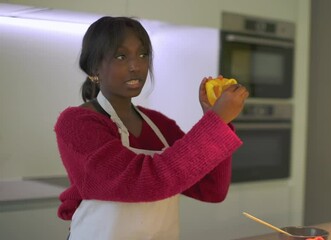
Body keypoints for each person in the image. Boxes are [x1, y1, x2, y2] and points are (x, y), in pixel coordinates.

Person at [54, 16, 249, 240]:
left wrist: (218, 121)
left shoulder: (159, 125)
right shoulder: (77, 123)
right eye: (121, 56)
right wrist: (215, 122)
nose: (136, 66)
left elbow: (212, 188)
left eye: (143, 54)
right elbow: (143, 182)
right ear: (94, 67)